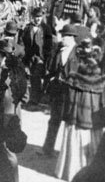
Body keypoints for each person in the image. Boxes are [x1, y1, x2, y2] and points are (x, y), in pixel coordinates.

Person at [55, 39, 105, 180]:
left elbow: (67, 101)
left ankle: (70, 171)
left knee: (74, 142)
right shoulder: (102, 82)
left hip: (76, 118)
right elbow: (104, 104)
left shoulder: (73, 79)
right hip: (93, 122)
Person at [41, 24, 79, 157]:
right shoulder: (58, 50)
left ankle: (67, 155)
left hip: (71, 93)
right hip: (58, 91)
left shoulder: (78, 52)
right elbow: (51, 68)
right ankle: (47, 149)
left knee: (70, 123)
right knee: (54, 120)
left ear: (71, 37)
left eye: (64, 36)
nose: (61, 38)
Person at [21, 7, 54, 106]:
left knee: (36, 77)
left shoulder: (46, 28)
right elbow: (22, 42)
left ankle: (35, 99)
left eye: (40, 17)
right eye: (36, 17)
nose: (38, 19)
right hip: (28, 56)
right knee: (26, 76)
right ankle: (25, 97)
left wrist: (45, 57)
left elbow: (49, 44)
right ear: (32, 17)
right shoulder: (27, 28)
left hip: (40, 57)